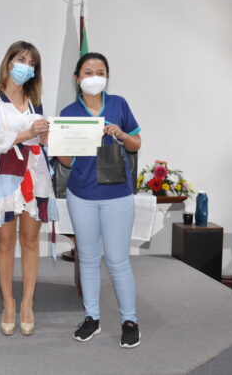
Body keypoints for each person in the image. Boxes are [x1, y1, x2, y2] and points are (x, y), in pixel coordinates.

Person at [57, 52, 142, 348]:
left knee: (118, 261)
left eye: (101, 72)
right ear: (77, 78)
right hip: (82, 195)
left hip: (117, 195)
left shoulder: (119, 104)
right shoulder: (68, 113)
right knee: (88, 258)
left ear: (107, 76)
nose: (95, 77)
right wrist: (53, 144)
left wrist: (121, 134)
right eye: (88, 72)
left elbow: (136, 143)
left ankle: (129, 321)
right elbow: (66, 161)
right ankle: (91, 317)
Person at [0, 41, 59, 336]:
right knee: (5, 242)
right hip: (3, 177)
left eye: (32, 63)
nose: (26, 66)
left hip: (35, 177)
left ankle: (27, 303)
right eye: (22, 59)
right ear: (9, 61)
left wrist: (46, 138)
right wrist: (28, 132)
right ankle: (8, 303)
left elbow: (38, 141)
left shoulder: (35, 101)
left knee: (31, 241)